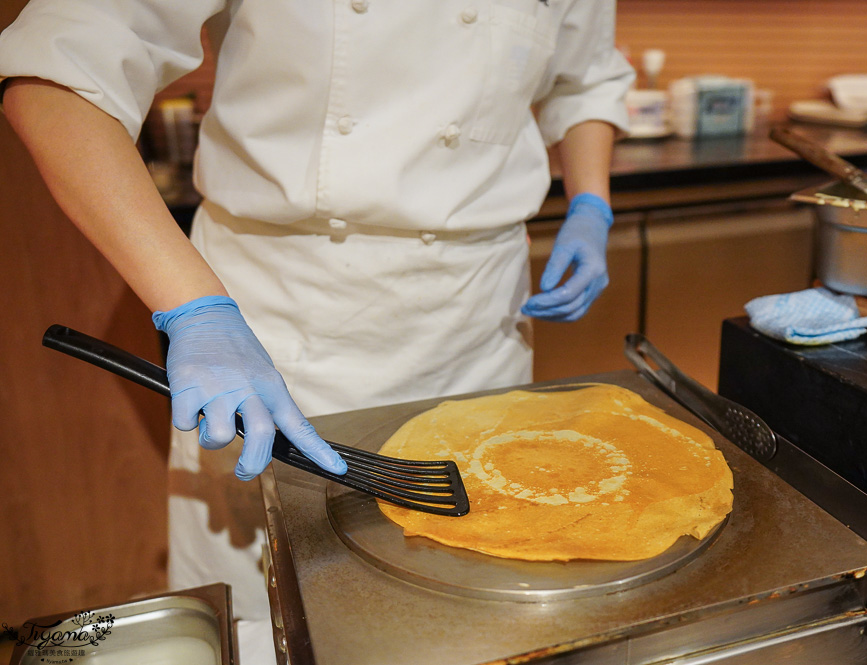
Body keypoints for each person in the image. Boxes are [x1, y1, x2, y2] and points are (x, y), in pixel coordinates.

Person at [0, 0, 633, 660]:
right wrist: (195, 307)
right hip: (282, 322)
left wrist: (591, 201)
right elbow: (54, 79)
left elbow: (584, 77)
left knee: (467, 611)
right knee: (272, 610)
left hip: (474, 320)